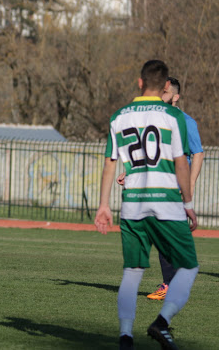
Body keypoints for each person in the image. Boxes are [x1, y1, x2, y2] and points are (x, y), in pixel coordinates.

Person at [95, 60, 199, 350]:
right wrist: (188, 203)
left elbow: (110, 163)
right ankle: (161, 323)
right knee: (188, 267)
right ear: (166, 86)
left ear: (140, 83)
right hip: (166, 202)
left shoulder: (120, 116)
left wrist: (104, 205)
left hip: (133, 203)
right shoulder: (172, 115)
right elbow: (181, 162)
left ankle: (126, 336)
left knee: (133, 271)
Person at [116, 76, 204, 302]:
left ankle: (171, 284)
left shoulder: (185, 121)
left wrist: (190, 186)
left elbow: (198, 153)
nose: (160, 97)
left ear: (176, 97)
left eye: (165, 94)